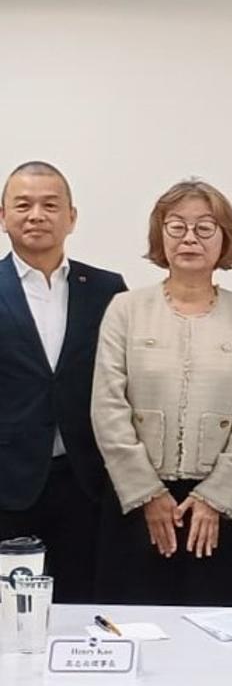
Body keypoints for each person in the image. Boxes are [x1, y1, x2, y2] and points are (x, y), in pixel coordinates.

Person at [91, 180, 232, 606]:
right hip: (134, 499)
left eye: (205, 228)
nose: (190, 238)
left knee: (206, 631)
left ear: (225, 238)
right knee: (133, 626)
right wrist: (147, 495)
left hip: (213, 505)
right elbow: (108, 405)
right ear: (160, 235)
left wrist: (215, 497)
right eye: (176, 227)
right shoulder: (126, 309)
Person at [0, 162, 126, 602]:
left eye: (50, 205)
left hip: (86, 479)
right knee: (12, 615)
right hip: (8, 482)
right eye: (23, 204)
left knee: (83, 607)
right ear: (2, 216)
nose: (37, 215)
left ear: (71, 217)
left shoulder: (108, 290)